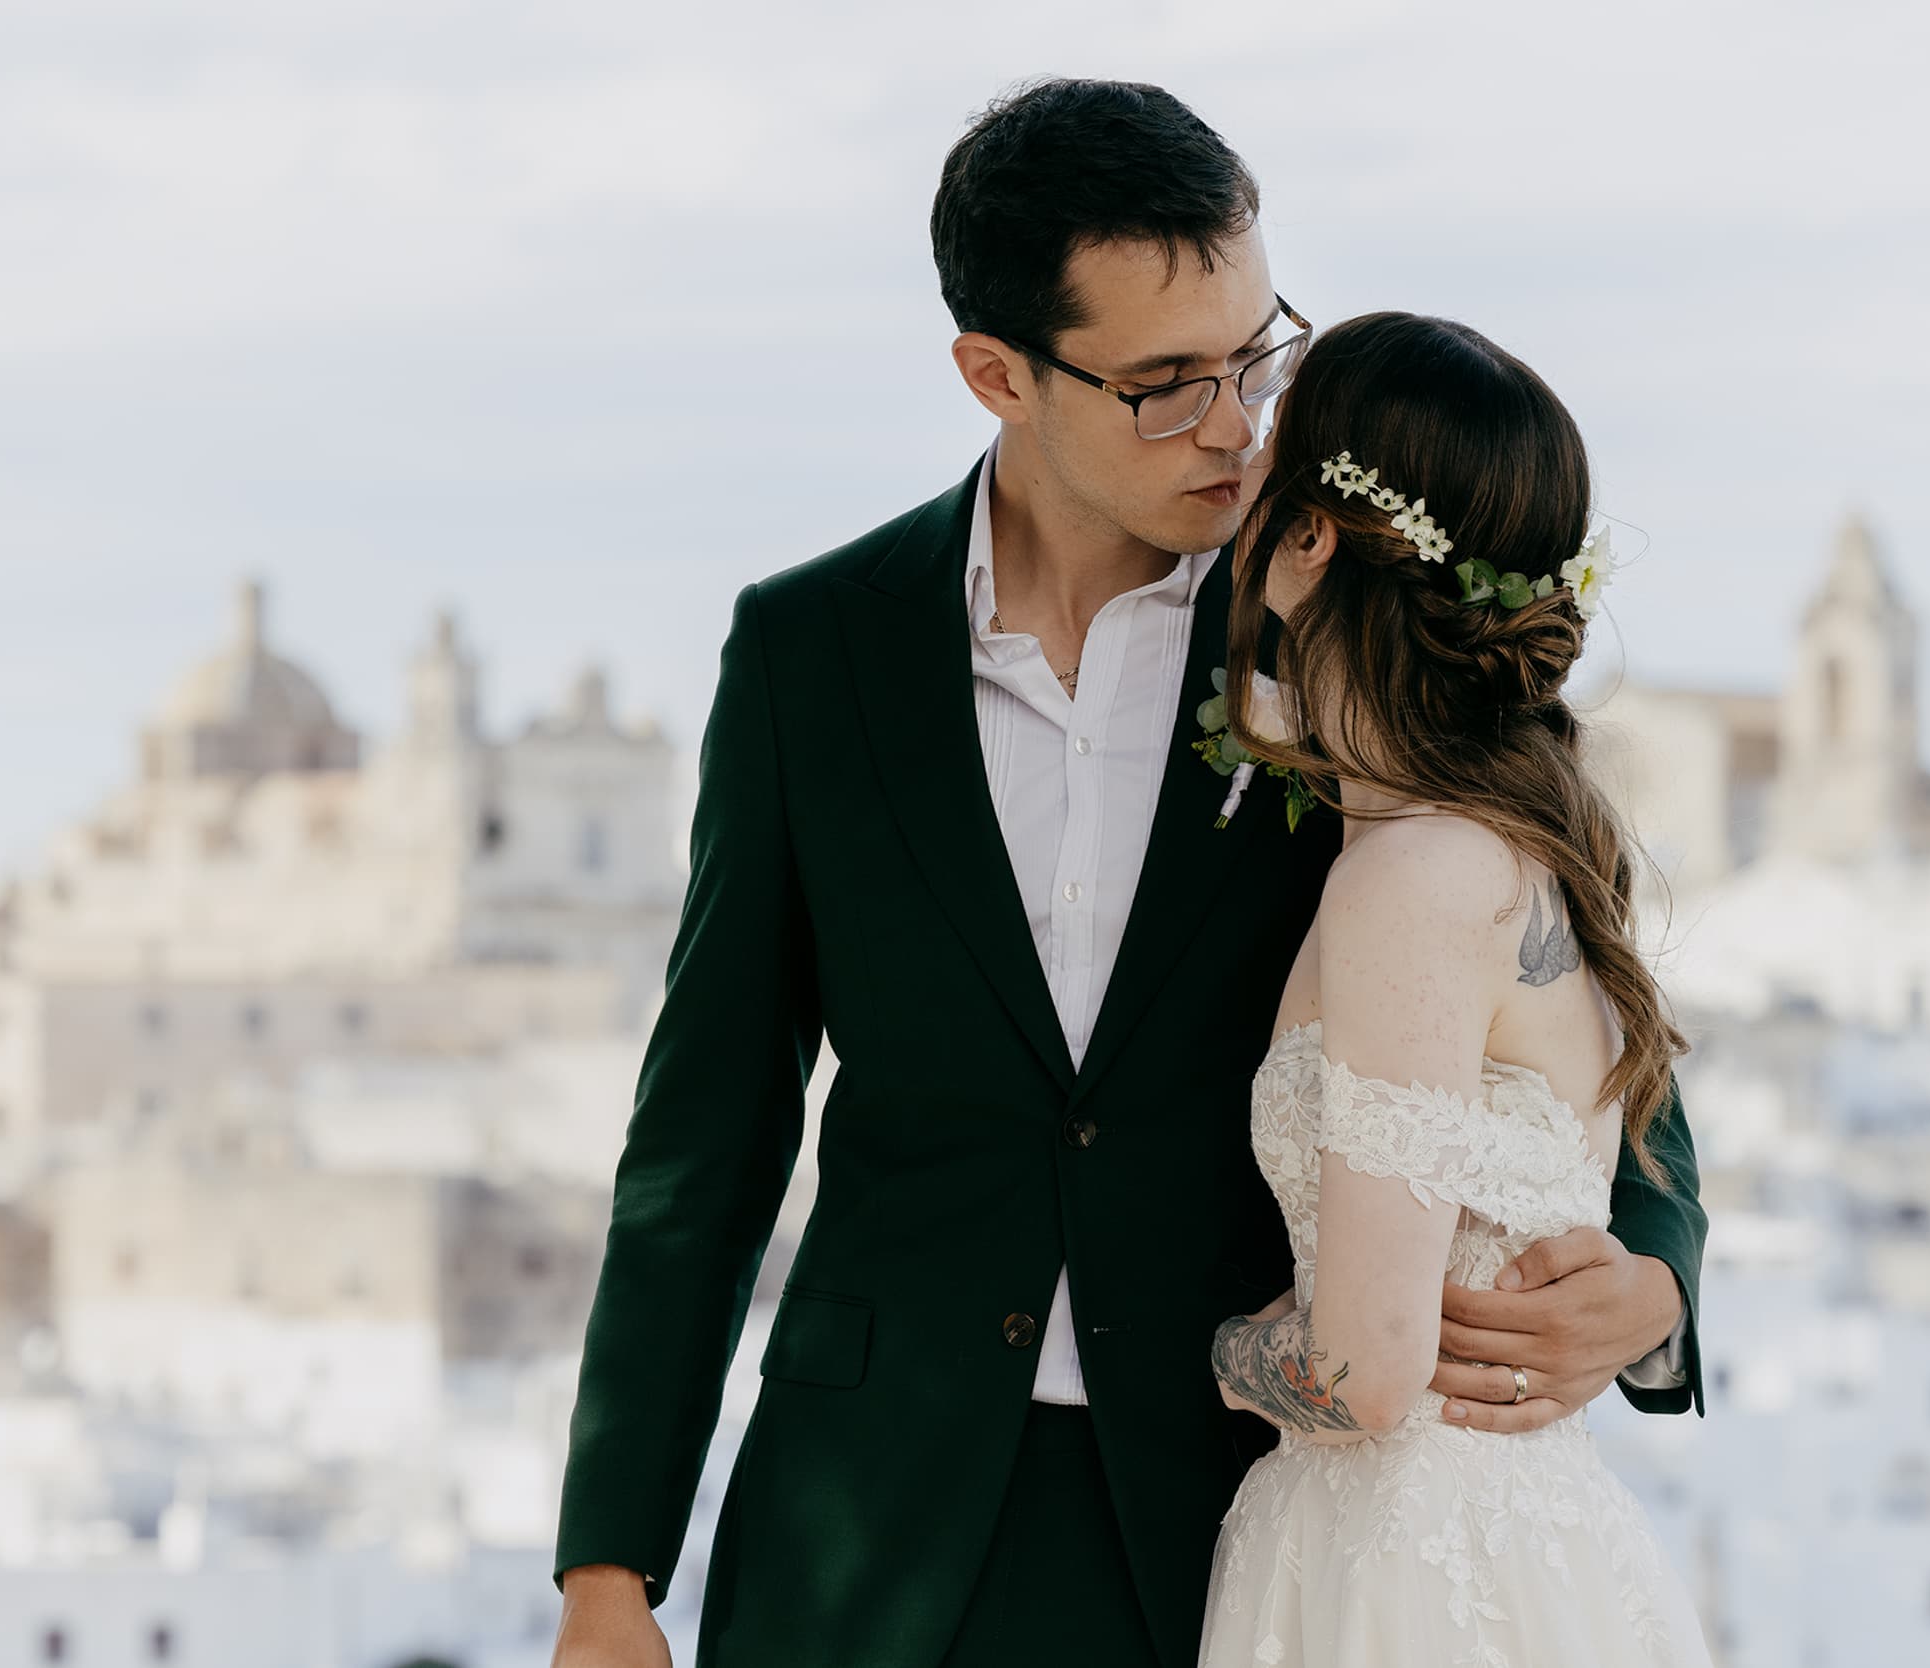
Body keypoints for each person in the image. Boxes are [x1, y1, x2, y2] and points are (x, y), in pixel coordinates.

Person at [547, 80, 1711, 1668]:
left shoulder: (1336, 643)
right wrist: (611, 1570)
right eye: (1167, 385)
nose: (1237, 427)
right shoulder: (812, 653)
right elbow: (706, 1133)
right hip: (866, 1530)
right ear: (997, 374)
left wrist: (1653, 1285)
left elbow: (1568, 980)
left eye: (1253, 356)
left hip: (1232, 1527)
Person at [1189, 310, 1712, 1664]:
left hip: (1394, 1564)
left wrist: (1230, 1351)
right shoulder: (1540, 847)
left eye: (1272, 454)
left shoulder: (1410, 879)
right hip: (1522, 1538)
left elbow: (1363, 1375)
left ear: (1311, 541)